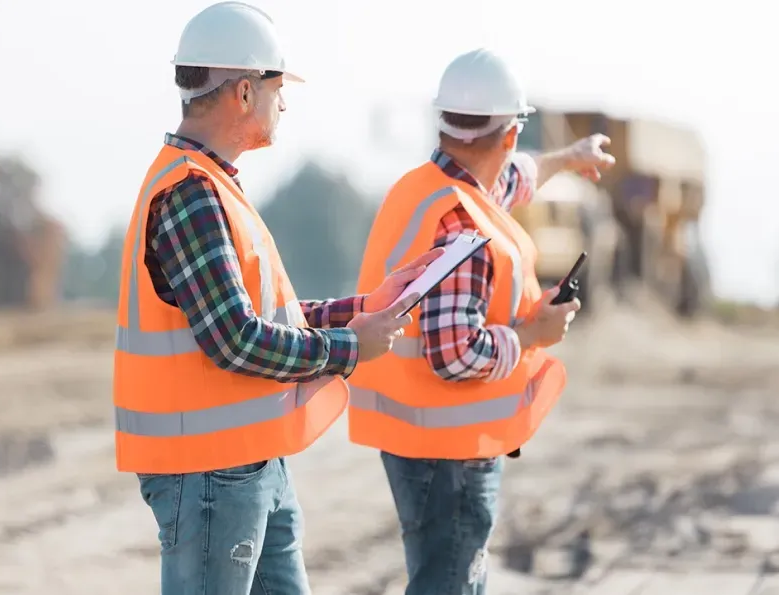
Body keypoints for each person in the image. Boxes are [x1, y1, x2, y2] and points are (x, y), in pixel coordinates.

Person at [112, 3, 440, 594]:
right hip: (209, 474)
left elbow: (268, 317)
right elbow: (235, 339)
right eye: (277, 86)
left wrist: (364, 308)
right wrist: (346, 348)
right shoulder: (191, 193)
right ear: (242, 92)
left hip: (248, 462)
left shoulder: (212, 187)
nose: (283, 102)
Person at [348, 48, 615, 594]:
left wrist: (568, 156)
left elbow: (514, 178)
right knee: (450, 583)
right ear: (512, 131)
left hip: (416, 438)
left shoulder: (429, 189)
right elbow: (456, 354)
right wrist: (533, 334)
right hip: (448, 451)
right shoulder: (460, 225)